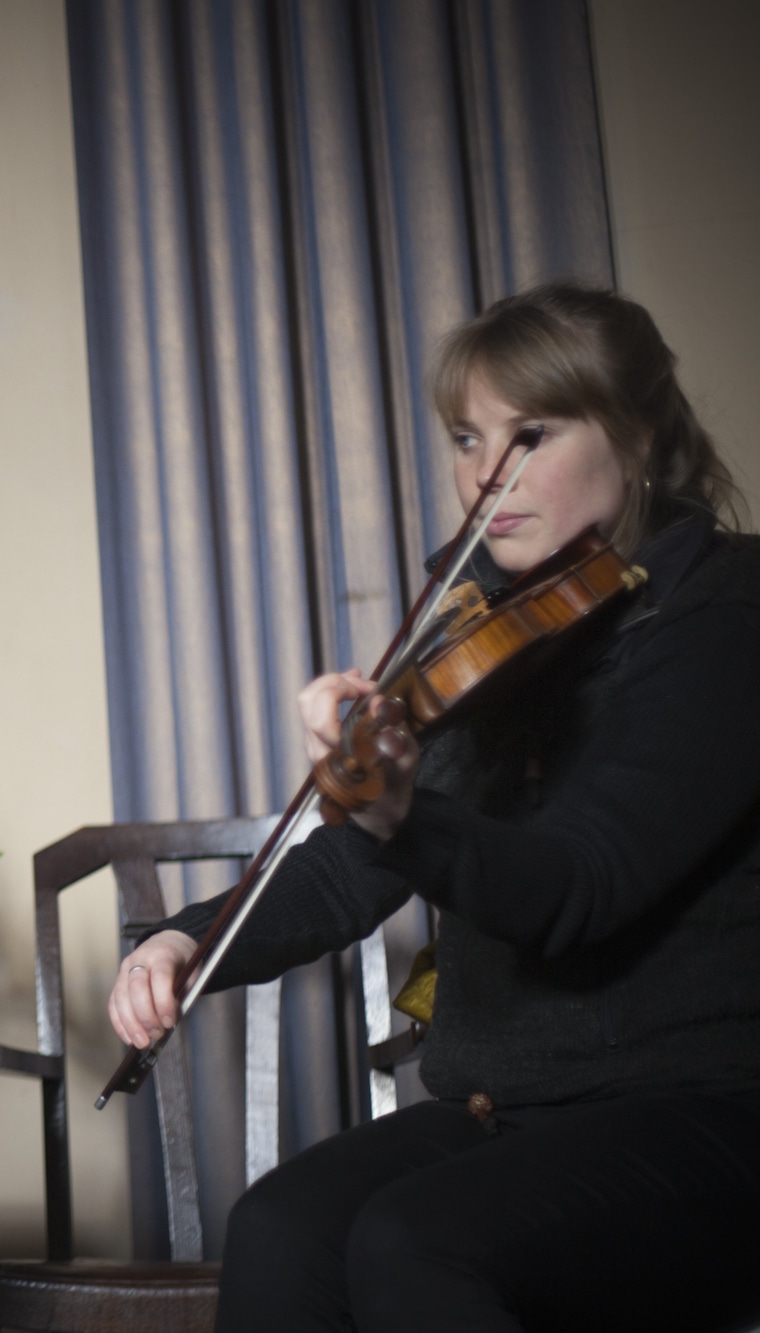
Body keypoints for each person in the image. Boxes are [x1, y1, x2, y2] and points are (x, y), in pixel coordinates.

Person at [107, 283, 760, 1331]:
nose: (484, 474)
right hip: (506, 1113)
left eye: (528, 434)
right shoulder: (489, 638)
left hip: (698, 1114)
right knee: (277, 1227)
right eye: (466, 436)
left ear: (634, 435)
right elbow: (345, 868)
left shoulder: (723, 613)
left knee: (415, 1239)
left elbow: (579, 884)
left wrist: (403, 812)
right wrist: (189, 943)